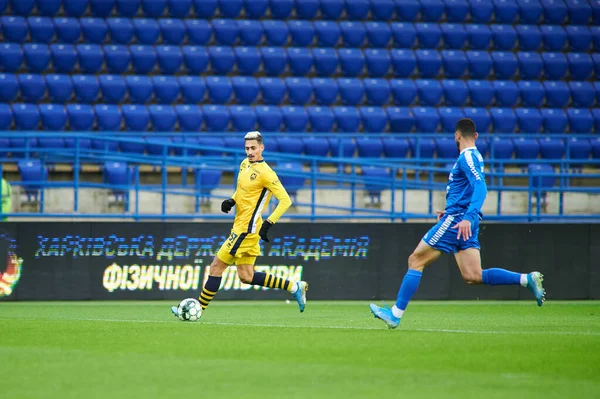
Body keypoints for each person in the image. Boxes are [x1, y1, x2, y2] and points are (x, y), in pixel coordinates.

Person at [369, 118, 546, 329]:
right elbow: (470, 189)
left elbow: (481, 188)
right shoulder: (476, 156)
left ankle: (395, 315)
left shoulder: (467, 157)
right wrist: (456, 211)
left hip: (458, 221)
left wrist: (466, 216)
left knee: (415, 260)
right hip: (461, 218)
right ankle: (527, 279)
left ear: (456, 135)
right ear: (477, 136)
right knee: (473, 275)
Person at [171, 131, 308, 318]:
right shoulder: (244, 164)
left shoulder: (267, 173)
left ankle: (197, 310)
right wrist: (232, 200)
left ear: (262, 148)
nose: (250, 152)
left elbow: (285, 200)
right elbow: (243, 190)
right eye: (247, 148)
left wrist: (269, 222)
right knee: (246, 276)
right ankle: (294, 286)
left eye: (253, 148)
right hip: (241, 227)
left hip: (246, 231)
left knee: (216, 267)